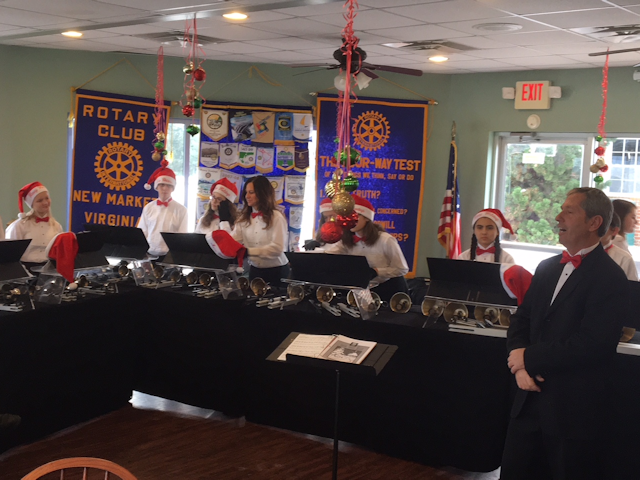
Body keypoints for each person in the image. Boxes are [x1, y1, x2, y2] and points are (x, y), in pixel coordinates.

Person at [502, 187, 629, 480]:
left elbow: (593, 344)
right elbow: (522, 321)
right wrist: (520, 367)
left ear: (594, 222)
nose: (558, 216)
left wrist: (529, 358)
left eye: (569, 211)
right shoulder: (546, 268)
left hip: (571, 411)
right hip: (527, 400)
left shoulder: (611, 279)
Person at [323, 194, 409, 301]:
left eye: (356, 216)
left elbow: (402, 269)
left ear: (367, 218)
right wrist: (317, 245)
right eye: (347, 216)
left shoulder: (386, 240)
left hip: (389, 289)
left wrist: (377, 271)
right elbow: (328, 255)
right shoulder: (347, 239)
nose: (351, 220)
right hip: (365, 290)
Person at [228, 176, 289, 286]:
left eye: (251, 192)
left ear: (262, 193)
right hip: (255, 270)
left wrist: (249, 252)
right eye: (246, 192)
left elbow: (277, 248)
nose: (247, 196)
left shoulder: (276, 217)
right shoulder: (243, 218)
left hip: (277, 271)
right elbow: (232, 240)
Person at [138, 160, 188, 258]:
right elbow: (142, 232)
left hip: (170, 256)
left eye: (169, 185)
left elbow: (182, 237)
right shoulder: (148, 208)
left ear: (173, 188)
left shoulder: (181, 210)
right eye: (162, 185)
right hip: (149, 254)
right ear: (156, 187)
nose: (165, 189)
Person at [6, 182, 63, 266]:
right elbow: (10, 255)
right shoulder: (19, 226)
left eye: (47, 198)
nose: (45, 202)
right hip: (25, 269)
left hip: (49, 270)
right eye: (40, 200)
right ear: (32, 204)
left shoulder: (57, 226)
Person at [602, 212, 638, 281]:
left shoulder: (624, 258)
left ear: (614, 231)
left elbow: (631, 288)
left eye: (602, 227)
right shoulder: (580, 252)